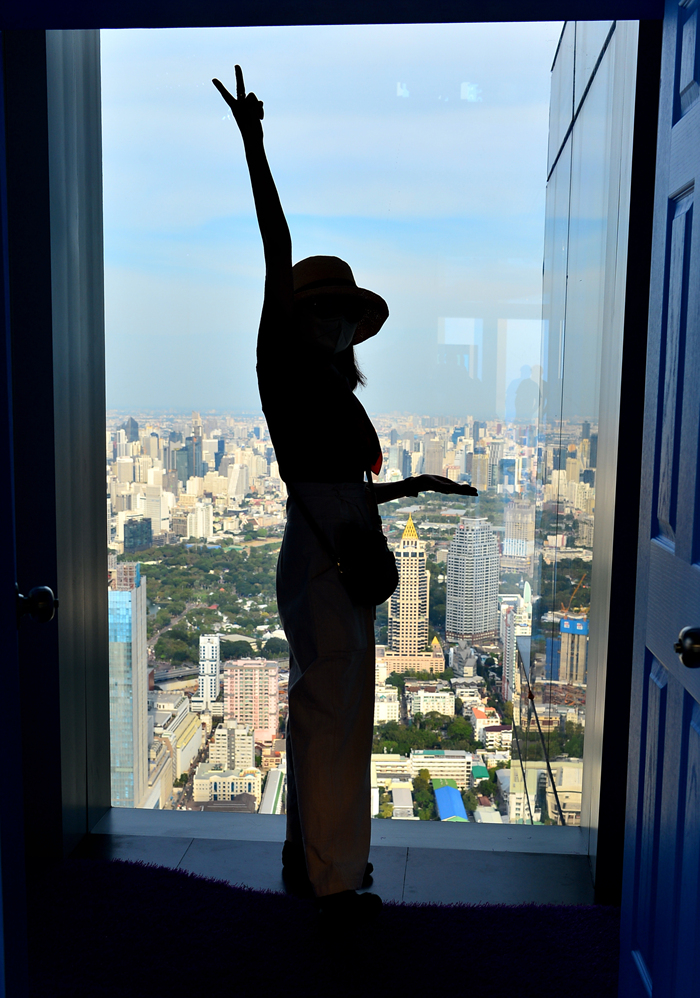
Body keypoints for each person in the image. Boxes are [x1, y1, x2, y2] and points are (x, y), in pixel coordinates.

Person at [213, 67, 478, 922]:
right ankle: (332, 880)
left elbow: (348, 492)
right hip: (325, 561)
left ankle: (315, 861)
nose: (329, 324)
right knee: (333, 716)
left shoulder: (330, 389)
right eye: (318, 310)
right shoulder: (283, 370)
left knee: (331, 713)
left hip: (341, 552)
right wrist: (254, 144)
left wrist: (419, 484)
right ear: (294, 315)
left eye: (340, 316)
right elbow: (276, 244)